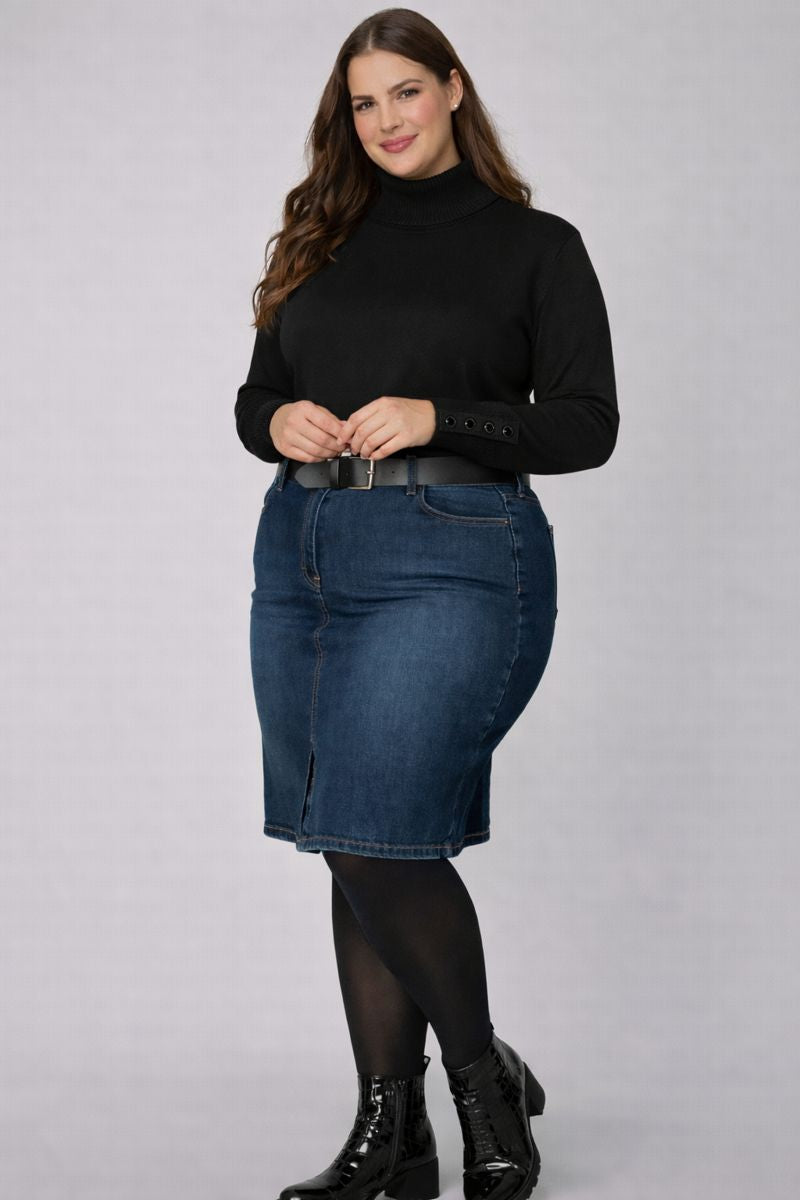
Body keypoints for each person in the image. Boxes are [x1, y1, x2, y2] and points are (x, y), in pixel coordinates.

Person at [234, 9, 618, 1199]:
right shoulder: (319, 239)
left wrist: (439, 416)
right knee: (350, 839)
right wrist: (277, 422)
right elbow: (254, 399)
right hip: (301, 555)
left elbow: (584, 426)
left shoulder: (534, 247)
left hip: (453, 554)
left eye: (404, 90)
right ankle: (390, 1138)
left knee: (372, 831)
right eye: (362, 102)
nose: (385, 119)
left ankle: (480, 1085)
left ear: (452, 88)